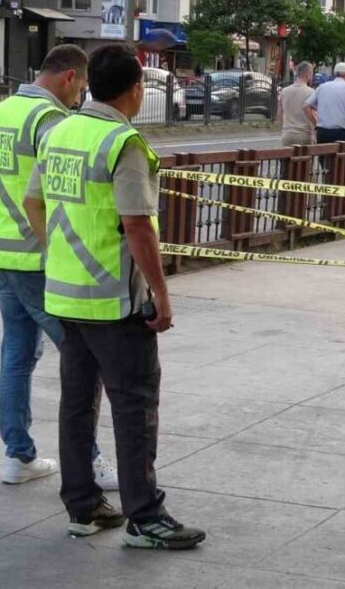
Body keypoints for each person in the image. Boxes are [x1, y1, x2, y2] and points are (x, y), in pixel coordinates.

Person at [23, 44, 206, 550]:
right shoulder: (123, 143)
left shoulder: (60, 131)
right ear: (134, 90)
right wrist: (161, 293)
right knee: (134, 405)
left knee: (76, 404)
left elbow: (32, 201)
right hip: (113, 302)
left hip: (63, 296)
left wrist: (58, 252)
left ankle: (83, 507)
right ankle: (145, 516)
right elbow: (136, 226)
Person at [0, 44, 117, 491]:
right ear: (69, 79)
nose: (81, 96)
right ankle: (91, 461)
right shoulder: (49, 120)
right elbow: (54, 192)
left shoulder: (1, 110)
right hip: (37, 256)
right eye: (81, 87)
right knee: (82, 361)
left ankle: (18, 455)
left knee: (16, 356)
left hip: (1, 251)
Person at [305, 62, 345, 143]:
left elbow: (306, 106)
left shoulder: (322, 87)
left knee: (324, 155)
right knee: (342, 155)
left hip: (322, 132)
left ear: (335, 74)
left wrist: (316, 123)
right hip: (340, 132)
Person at [278, 61, 315, 147]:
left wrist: (285, 127)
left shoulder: (284, 91)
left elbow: (279, 114)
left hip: (287, 134)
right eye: (312, 74)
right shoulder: (311, 92)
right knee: (304, 160)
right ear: (308, 74)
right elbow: (314, 114)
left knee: (287, 160)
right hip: (304, 134)